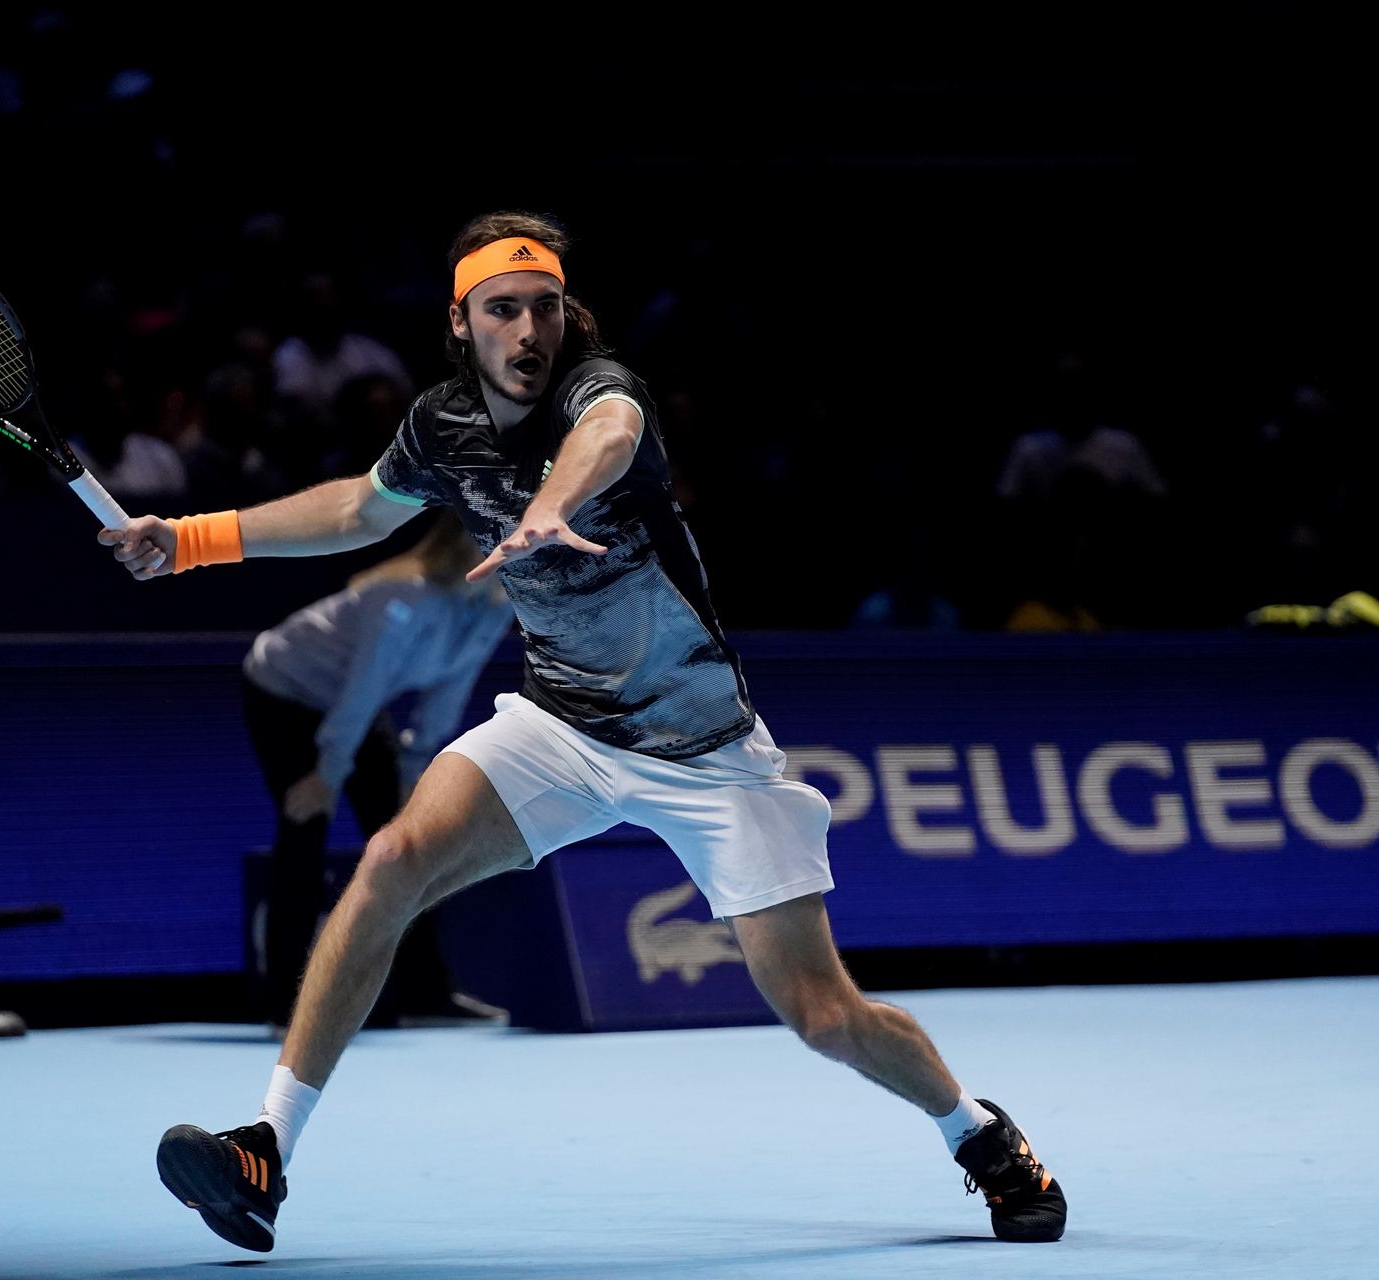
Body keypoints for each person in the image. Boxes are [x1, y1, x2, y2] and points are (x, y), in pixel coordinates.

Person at [101, 211, 1065, 1250]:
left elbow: (608, 437)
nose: (529, 329)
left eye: (546, 306)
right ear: (460, 323)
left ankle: (978, 1133)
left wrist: (549, 504)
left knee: (824, 1015)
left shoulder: (599, 389)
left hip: (706, 751)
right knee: (390, 859)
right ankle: (266, 1151)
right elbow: (355, 513)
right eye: (502, 309)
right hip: (562, 727)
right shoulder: (440, 425)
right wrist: (191, 540)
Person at [241, 509, 515, 1029]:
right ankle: (287, 1004)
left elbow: (447, 697)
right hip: (283, 690)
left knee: (408, 840)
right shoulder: (404, 597)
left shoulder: (496, 608)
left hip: (354, 708)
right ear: (467, 543)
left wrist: (416, 773)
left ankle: (426, 992)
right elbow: (363, 691)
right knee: (305, 827)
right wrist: (326, 774)